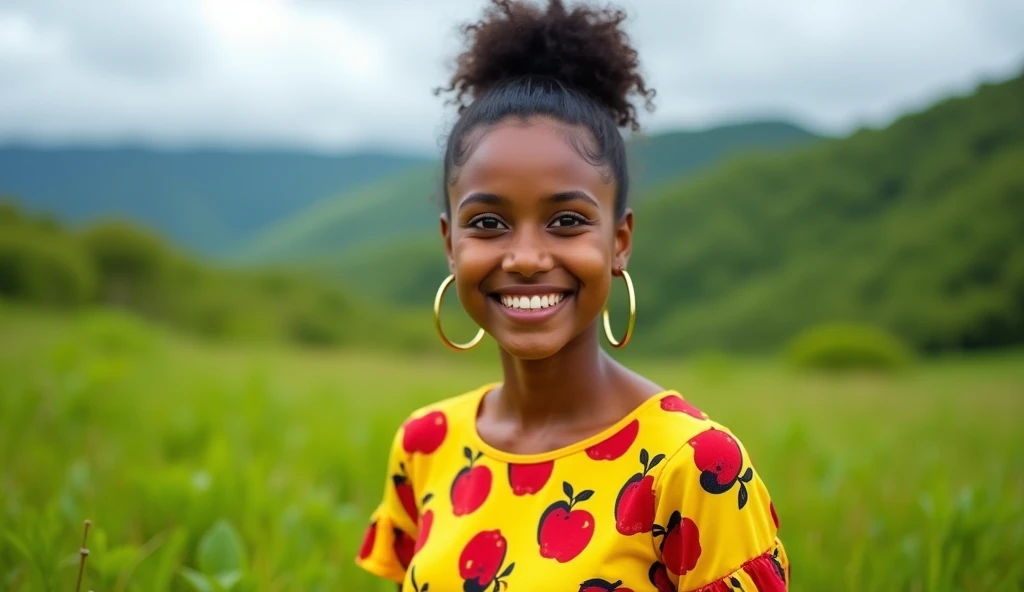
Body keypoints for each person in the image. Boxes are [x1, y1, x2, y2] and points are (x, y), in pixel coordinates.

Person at [354, 1, 788, 590]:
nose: (527, 257)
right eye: (487, 223)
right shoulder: (425, 442)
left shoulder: (694, 467)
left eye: (566, 221)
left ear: (620, 241)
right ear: (449, 244)